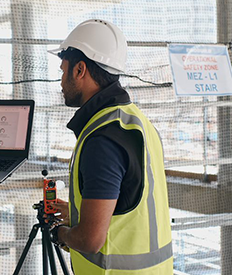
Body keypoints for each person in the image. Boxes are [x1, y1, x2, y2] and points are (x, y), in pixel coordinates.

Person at [47, 19, 173, 274]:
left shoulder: (102, 139)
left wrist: (60, 233)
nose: (61, 82)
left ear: (80, 70)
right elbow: (130, 205)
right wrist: (80, 214)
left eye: (63, 71)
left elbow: (89, 241)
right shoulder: (134, 121)